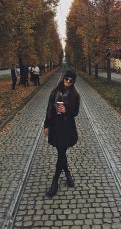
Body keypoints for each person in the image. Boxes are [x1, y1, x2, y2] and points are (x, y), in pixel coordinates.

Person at [43, 70, 80, 198]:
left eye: (71, 80)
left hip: (67, 127)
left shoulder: (75, 95)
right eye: (67, 79)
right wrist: (46, 125)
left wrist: (66, 109)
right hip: (55, 126)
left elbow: (75, 112)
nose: (68, 82)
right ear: (64, 78)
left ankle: (55, 181)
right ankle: (68, 173)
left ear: (73, 82)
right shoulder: (54, 92)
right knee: (61, 152)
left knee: (61, 152)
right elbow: (49, 109)